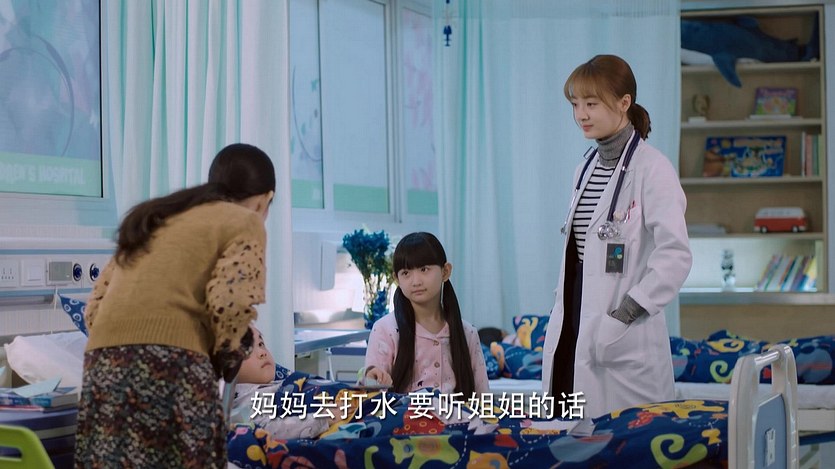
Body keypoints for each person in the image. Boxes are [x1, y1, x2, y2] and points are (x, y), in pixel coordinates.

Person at [75, 143, 276, 468]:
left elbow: (94, 308)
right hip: (172, 363)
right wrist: (229, 355)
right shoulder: (245, 221)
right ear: (265, 199)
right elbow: (230, 303)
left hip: (103, 365)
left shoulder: (157, 220)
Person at [541, 55, 692, 419]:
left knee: (626, 437)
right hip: (575, 318)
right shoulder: (585, 167)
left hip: (622, 326)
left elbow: (675, 256)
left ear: (624, 103)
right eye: (575, 104)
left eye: (591, 104)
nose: (581, 114)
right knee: (570, 432)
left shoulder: (653, 169)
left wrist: (626, 313)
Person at [364, 232, 489, 397]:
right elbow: (372, 395)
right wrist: (370, 379)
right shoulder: (385, 329)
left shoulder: (467, 333)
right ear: (397, 279)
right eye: (406, 273)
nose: (416, 281)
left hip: (458, 413)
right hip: (404, 414)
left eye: (424, 269)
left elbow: (483, 398)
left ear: (445, 271)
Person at [232, 326, 333, 439]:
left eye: (261, 344)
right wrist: (324, 419)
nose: (262, 353)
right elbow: (270, 429)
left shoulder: (282, 381)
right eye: (247, 350)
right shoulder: (250, 399)